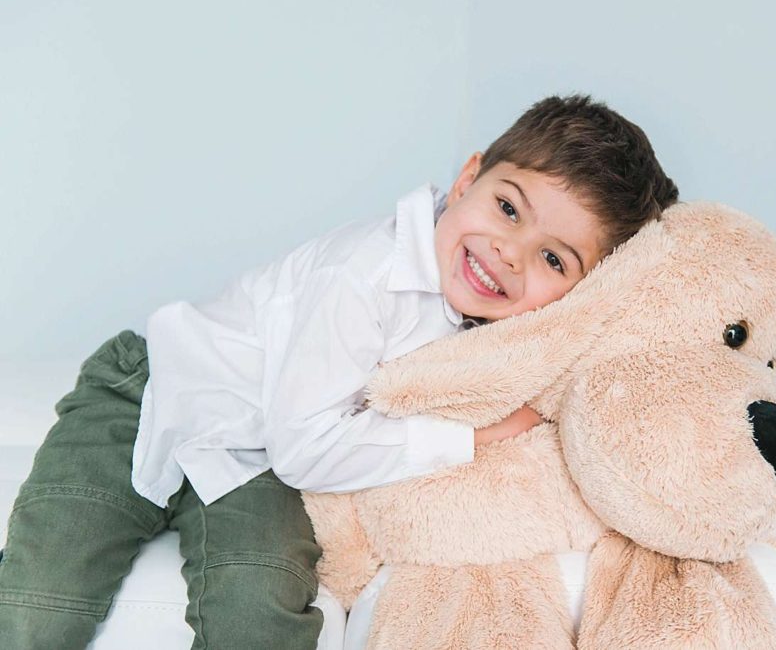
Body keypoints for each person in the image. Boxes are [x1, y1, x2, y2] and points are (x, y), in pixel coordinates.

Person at [0, 94, 678, 649]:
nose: (508, 254)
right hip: (153, 391)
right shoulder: (364, 274)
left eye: (554, 260)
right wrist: (467, 439)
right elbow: (308, 448)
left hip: (256, 451)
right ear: (468, 177)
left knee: (258, 607)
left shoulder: (509, 338)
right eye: (507, 207)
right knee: (41, 600)